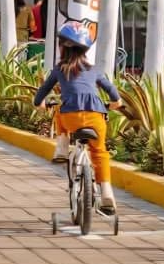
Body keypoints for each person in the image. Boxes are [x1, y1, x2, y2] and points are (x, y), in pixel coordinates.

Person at [33, 21, 122, 210]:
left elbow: (42, 92)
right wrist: (115, 103)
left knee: (59, 109)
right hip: (96, 116)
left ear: (61, 47)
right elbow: (113, 92)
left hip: (70, 118)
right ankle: (106, 193)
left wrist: (39, 104)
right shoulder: (94, 70)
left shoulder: (59, 69)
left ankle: (62, 146)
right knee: (100, 153)